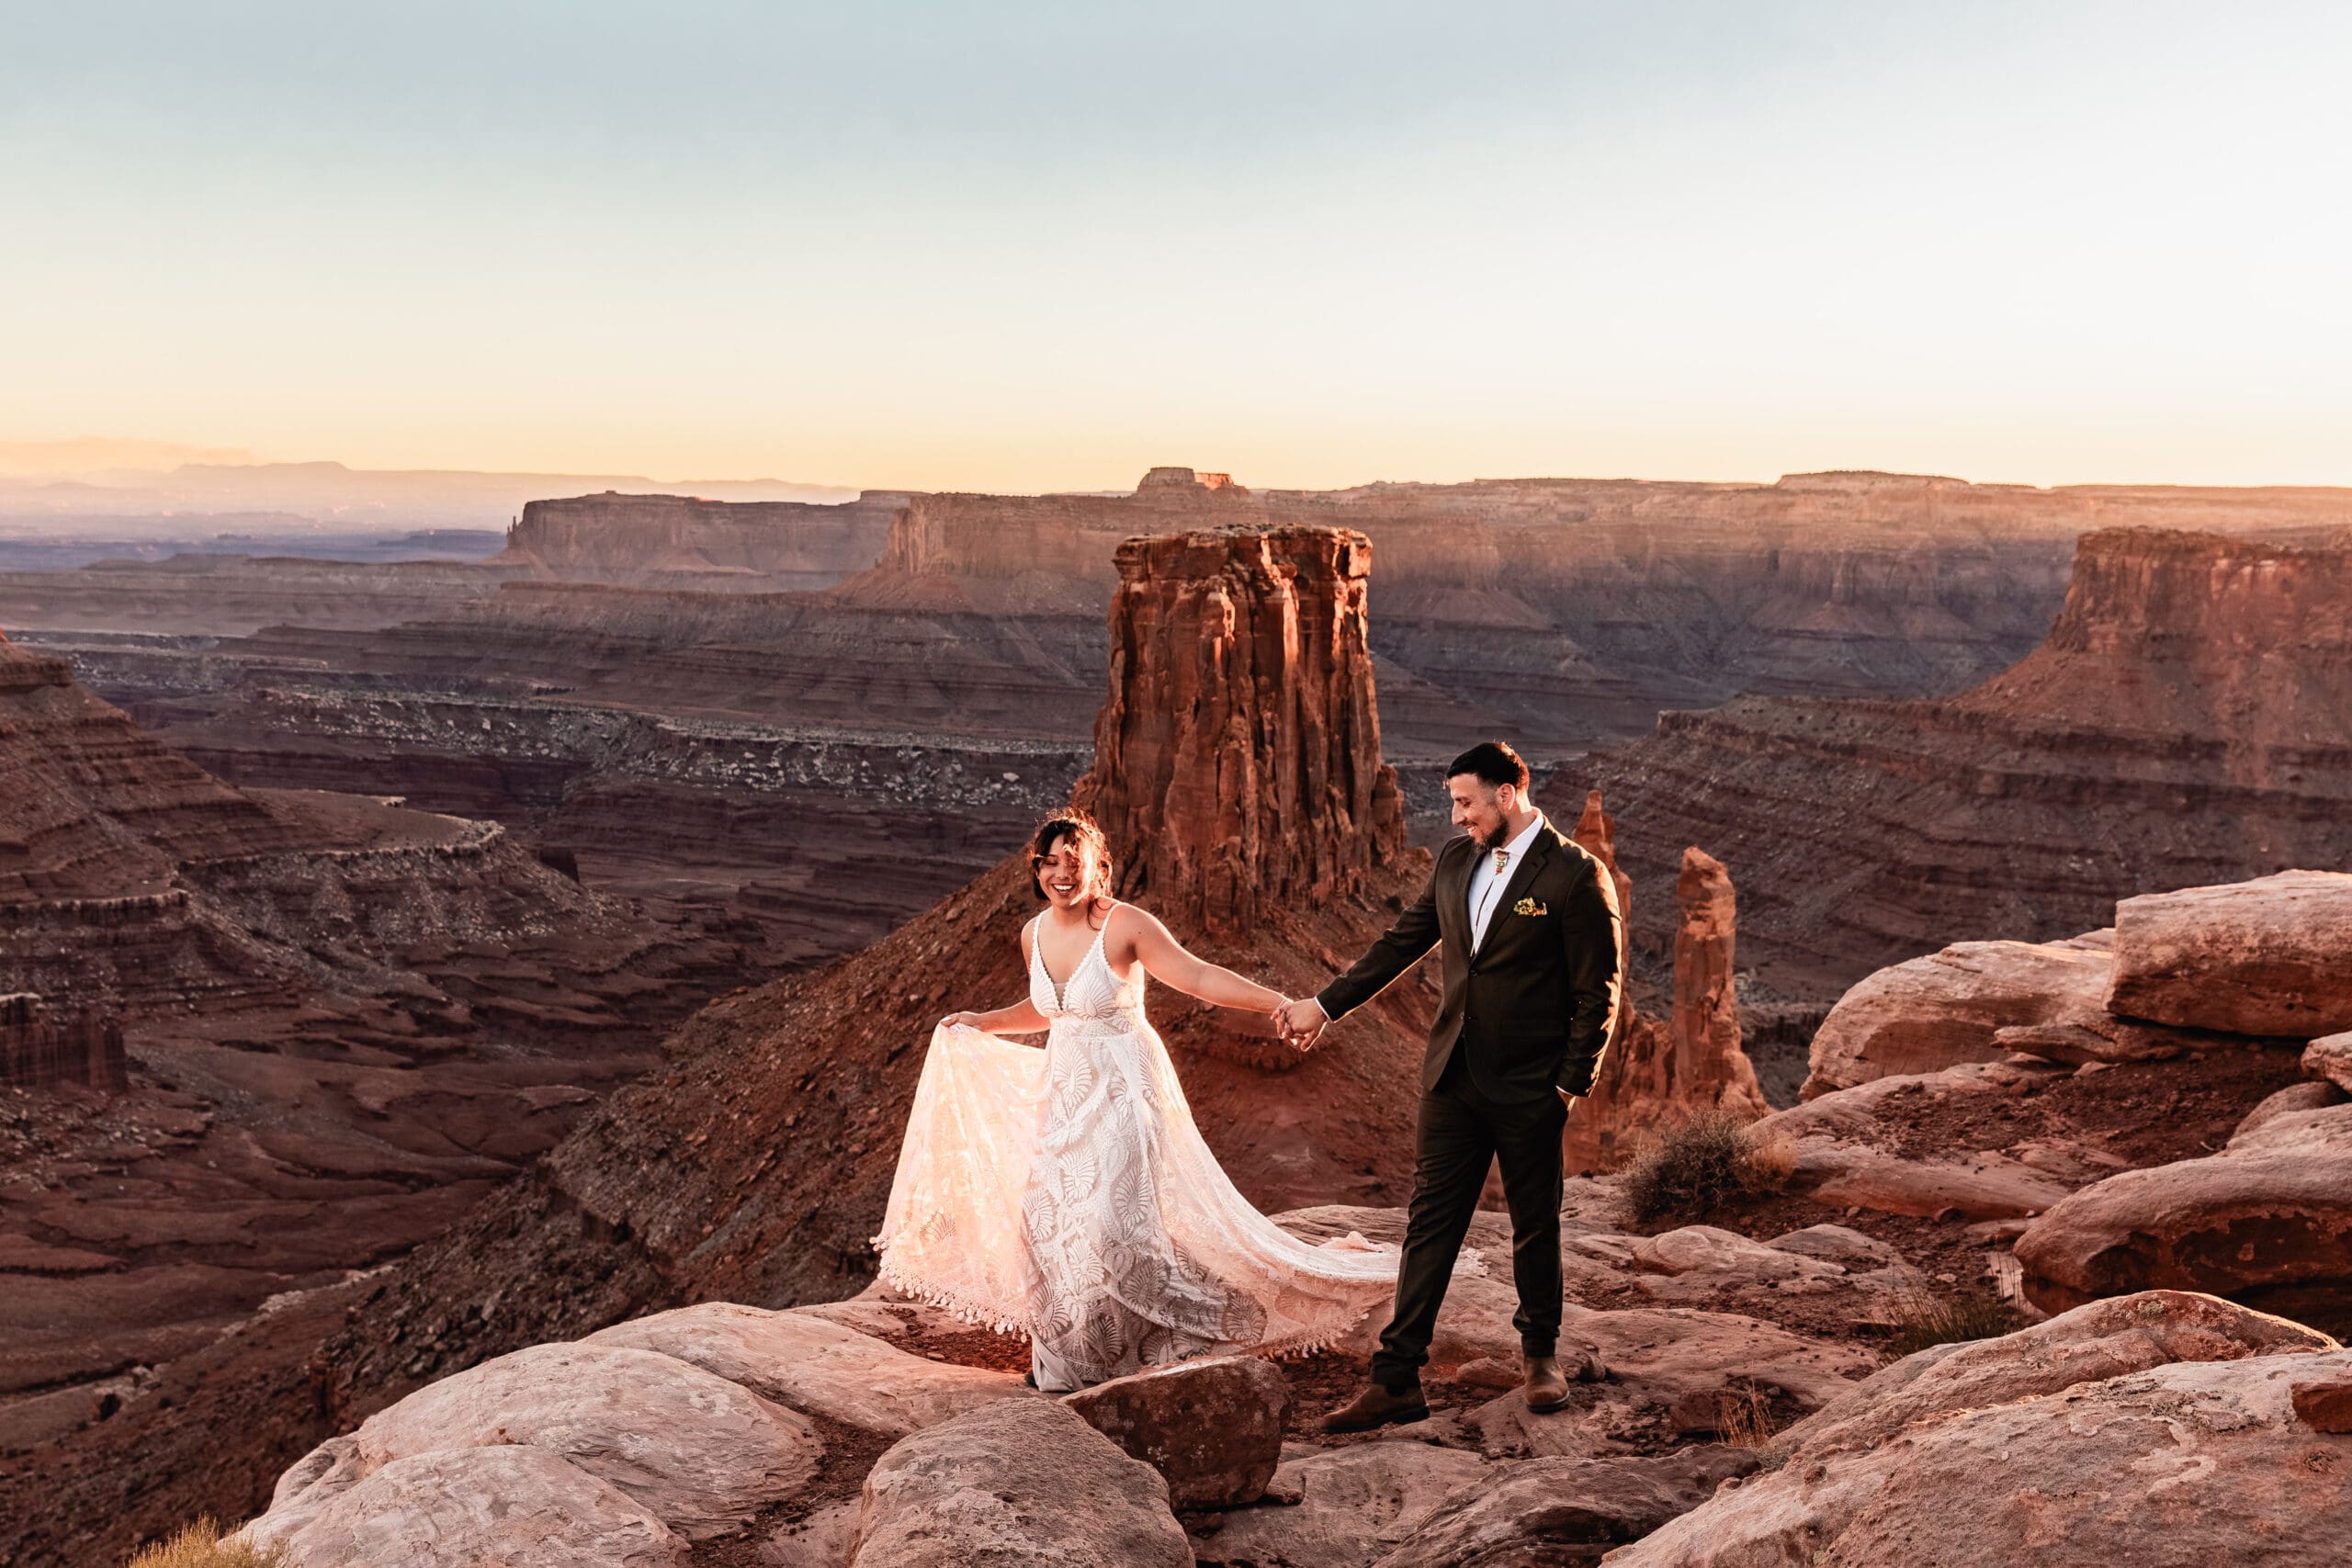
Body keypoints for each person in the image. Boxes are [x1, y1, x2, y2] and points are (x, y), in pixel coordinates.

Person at [873, 808, 1404, 1391]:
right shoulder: (1032, 932)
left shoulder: (1125, 925)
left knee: (1112, 1225)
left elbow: (1197, 977)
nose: (1061, 875)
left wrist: (1279, 1002)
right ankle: (1068, 1356)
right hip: (1065, 1090)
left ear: (1100, 867)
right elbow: (1047, 1011)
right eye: (1049, 864)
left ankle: (1149, 1343)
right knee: (1043, 1219)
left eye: (1074, 864)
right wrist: (984, 1022)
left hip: (1126, 1087)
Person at [1277, 740, 1621, 1430]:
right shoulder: (1457, 861)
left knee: (1534, 1223)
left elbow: (1600, 992)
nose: (1457, 816)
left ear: (1506, 793)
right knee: (1430, 1224)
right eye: (1454, 803)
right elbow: (1401, 943)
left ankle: (1540, 1357)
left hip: (1530, 1087)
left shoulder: (1576, 875)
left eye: (1466, 801)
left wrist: (1566, 1088)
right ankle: (1397, 1378)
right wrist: (1324, 1004)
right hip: (1452, 1079)